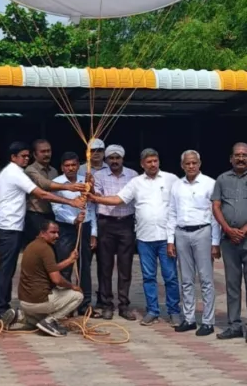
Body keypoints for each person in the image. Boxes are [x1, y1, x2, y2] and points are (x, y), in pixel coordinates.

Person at [0, 143, 82, 322]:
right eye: (23, 156)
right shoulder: (16, 173)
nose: (26, 159)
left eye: (27, 156)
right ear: (13, 157)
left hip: (15, 225)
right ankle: (0, 308)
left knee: (13, 267)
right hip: (10, 226)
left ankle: (5, 305)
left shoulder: (15, 171)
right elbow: (42, 193)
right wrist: (70, 199)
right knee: (6, 269)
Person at [90, 148, 179, 327]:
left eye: (155, 161)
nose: (152, 164)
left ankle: (174, 311)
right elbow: (118, 199)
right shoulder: (136, 182)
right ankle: (152, 311)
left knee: (170, 276)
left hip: (165, 236)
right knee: (148, 277)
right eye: (149, 162)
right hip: (144, 237)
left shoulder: (171, 179)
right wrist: (93, 197)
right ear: (142, 164)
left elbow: (180, 201)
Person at [168, 149, 220, 336]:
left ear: (199, 164)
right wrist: (170, 240)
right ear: (182, 165)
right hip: (181, 233)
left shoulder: (210, 184)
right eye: (187, 163)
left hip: (202, 232)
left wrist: (215, 242)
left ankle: (208, 321)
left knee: (206, 279)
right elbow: (172, 212)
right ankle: (189, 319)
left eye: (194, 163)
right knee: (186, 279)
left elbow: (215, 215)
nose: (191, 166)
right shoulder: (176, 185)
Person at [6, 218, 83, 337]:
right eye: (53, 232)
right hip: (39, 301)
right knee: (77, 296)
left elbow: (51, 267)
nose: (57, 236)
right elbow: (57, 279)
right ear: (42, 233)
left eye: (57, 232)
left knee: (39, 319)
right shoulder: (46, 249)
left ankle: (21, 316)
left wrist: (69, 260)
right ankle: (50, 321)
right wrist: (72, 286)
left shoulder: (32, 245)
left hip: (25, 302)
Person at [93, 145, 138, 321]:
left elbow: (132, 198)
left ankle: (124, 305)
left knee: (125, 266)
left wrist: (108, 199)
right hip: (106, 223)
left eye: (117, 158)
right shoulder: (99, 176)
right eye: (111, 158)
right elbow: (96, 196)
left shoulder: (133, 175)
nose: (114, 161)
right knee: (105, 266)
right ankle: (106, 304)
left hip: (126, 223)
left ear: (122, 159)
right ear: (106, 159)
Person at [51, 152, 98, 317]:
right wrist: (73, 220)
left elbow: (91, 207)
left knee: (85, 267)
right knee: (65, 266)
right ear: (62, 167)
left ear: (78, 165)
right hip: (65, 228)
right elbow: (56, 208)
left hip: (85, 227)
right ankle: (66, 306)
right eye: (67, 165)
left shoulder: (85, 182)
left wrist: (93, 232)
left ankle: (85, 306)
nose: (70, 168)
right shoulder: (57, 183)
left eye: (73, 165)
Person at [212, 143, 247, 340]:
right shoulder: (222, 179)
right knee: (232, 285)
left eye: (244, 155)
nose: (241, 158)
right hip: (229, 241)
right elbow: (216, 206)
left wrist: (243, 230)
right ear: (231, 158)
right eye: (237, 155)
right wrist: (227, 229)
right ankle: (234, 325)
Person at [25, 139, 58, 244]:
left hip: (51, 214)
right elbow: (44, 184)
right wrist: (70, 187)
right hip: (35, 215)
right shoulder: (30, 170)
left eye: (49, 151)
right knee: (37, 245)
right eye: (43, 151)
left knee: (50, 245)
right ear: (35, 154)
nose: (47, 154)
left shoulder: (54, 171)